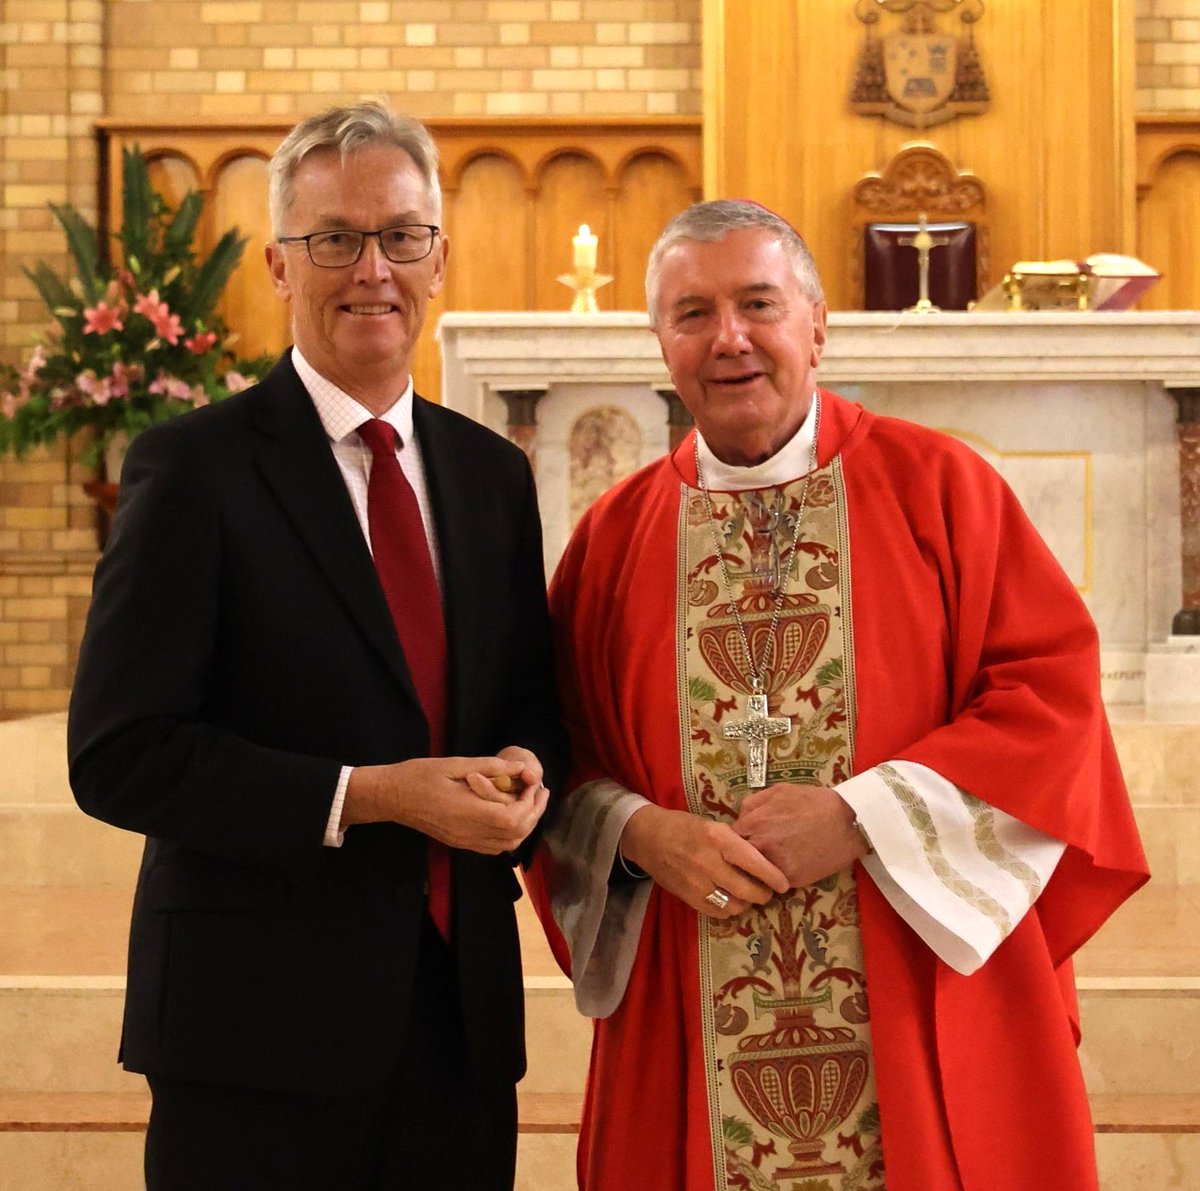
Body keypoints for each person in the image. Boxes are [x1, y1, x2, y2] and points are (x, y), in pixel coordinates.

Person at [528, 200, 1148, 1191]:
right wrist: (645, 836)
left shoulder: (940, 488)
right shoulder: (612, 542)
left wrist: (860, 818)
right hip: (693, 986)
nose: (728, 338)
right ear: (661, 344)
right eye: (693, 314)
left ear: (817, 325)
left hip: (910, 983)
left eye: (758, 304)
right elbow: (549, 757)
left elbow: (1049, 707)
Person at [68, 102, 564, 1191]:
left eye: (400, 235)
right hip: (256, 1027)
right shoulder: (192, 472)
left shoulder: (492, 476)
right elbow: (119, 752)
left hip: (457, 1020)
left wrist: (530, 770)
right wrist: (371, 795)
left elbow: (525, 696)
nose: (370, 269)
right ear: (279, 267)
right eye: (333, 238)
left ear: (441, 258)